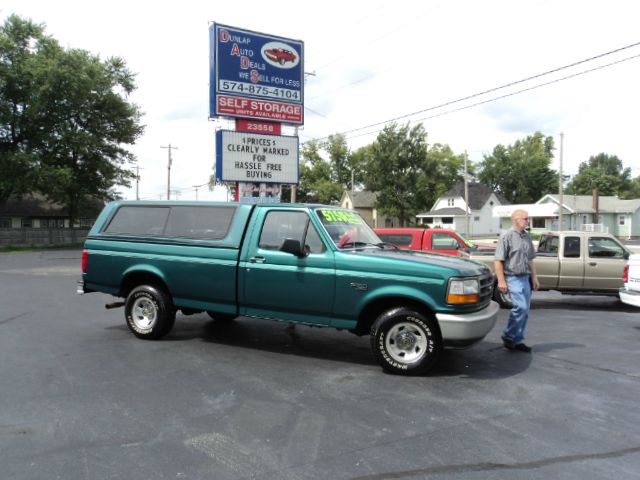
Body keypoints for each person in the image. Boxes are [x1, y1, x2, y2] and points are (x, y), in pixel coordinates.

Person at [494, 209, 539, 352]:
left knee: (525, 312)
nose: (528, 221)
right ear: (516, 220)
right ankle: (508, 335)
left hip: (525, 278)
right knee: (521, 307)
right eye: (526, 218)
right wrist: (501, 281)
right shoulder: (506, 236)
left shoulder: (527, 237)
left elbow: (530, 259)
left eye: (528, 218)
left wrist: (534, 277)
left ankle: (518, 340)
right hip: (512, 277)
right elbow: (498, 261)